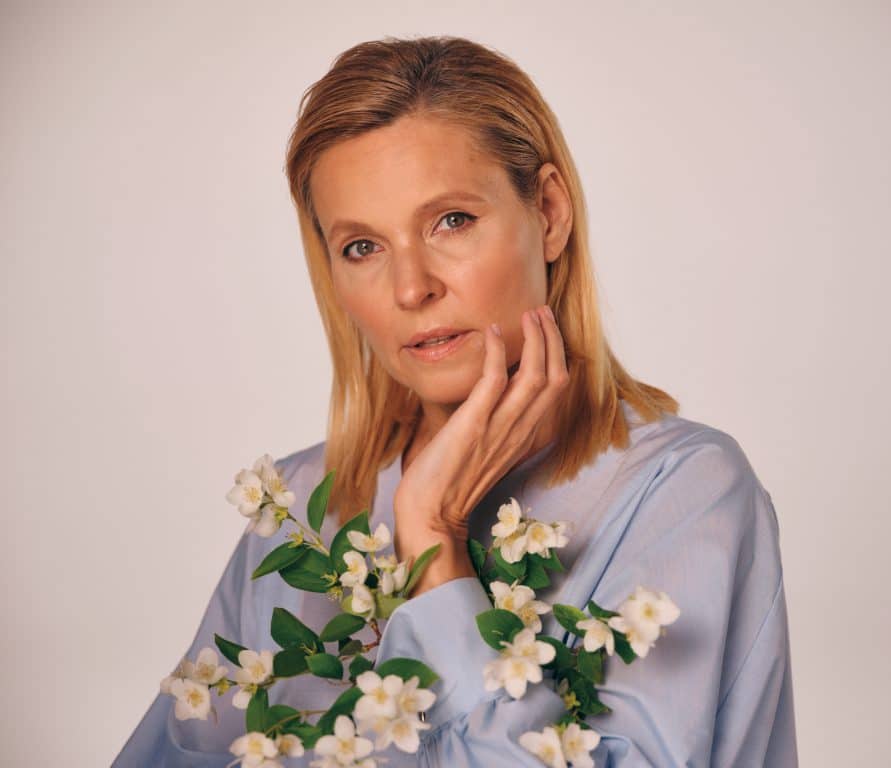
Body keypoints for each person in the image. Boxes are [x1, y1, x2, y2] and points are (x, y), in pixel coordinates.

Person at [114, 35, 797, 767]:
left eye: (451, 221)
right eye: (362, 247)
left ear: (550, 214)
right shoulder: (299, 509)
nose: (412, 288)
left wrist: (435, 543)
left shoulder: (685, 492)